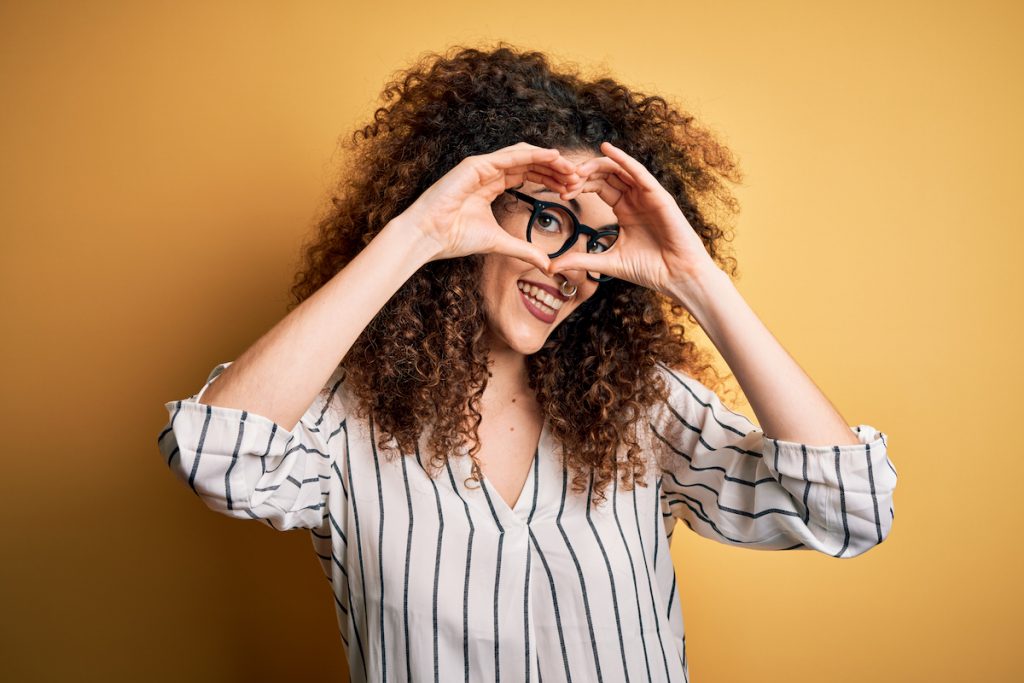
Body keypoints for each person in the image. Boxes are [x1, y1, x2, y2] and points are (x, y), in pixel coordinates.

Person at [156, 44, 898, 683]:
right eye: (547, 217)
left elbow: (850, 510)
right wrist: (418, 231)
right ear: (479, 205)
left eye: (599, 245)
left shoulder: (640, 409)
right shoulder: (341, 415)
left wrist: (695, 277)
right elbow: (218, 457)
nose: (570, 265)